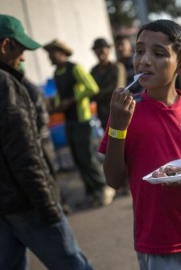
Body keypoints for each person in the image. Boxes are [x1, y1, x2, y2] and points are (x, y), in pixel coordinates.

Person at [0, 14, 92, 269]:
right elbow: (23, 150)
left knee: (9, 263)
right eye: (20, 49)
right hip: (23, 198)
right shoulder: (3, 82)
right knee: (72, 263)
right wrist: (47, 203)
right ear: (5, 46)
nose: (23, 57)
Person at [99, 19, 181, 269]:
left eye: (158, 53)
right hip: (157, 243)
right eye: (139, 51)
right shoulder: (125, 112)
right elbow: (113, 180)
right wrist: (118, 126)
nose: (144, 60)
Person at [43, 39, 115, 208]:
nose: (50, 58)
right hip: (69, 120)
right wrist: (59, 104)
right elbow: (61, 94)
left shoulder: (74, 68)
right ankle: (91, 192)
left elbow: (92, 88)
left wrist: (73, 100)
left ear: (62, 53)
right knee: (77, 158)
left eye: (52, 54)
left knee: (87, 156)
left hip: (82, 118)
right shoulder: (56, 74)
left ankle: (103, 188)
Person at [90, 37, 126, 130]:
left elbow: (118, 90)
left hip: (119, 112)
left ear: (109, 50)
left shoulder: (117, 67)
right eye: (97, 49)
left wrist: (97, 93)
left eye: (103, 48)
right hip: (102, 115)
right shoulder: (93, 71)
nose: (100, 51)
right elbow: (90, 94)